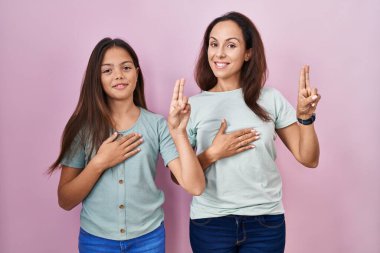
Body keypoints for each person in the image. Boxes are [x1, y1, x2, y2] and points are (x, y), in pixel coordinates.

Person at [48, 38, 205, 253]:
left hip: (149, 239)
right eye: (107, 70)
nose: (119, 75)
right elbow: (65, 200)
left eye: (126, 67)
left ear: (137, 73)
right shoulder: (82, 128)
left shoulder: (158, 125)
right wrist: (99, 163)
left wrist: (179, 132)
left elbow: (195, 186)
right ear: (97, 78)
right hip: (96, 241)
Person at [184, 11, 321, 253]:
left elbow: (308, 158)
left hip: (265, 222)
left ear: (248, 53)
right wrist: (212, 154)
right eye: (213, 44)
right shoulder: (192, 106)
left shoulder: (270, 98)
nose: (219, 53)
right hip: (210, 223)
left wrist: (305, 117)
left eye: (231, 45)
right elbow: (179, 177)